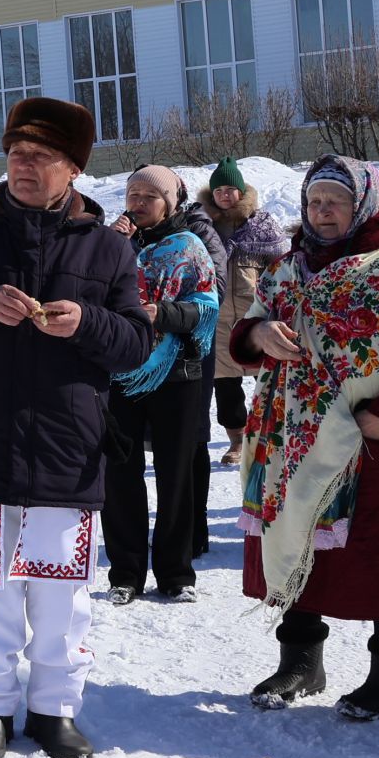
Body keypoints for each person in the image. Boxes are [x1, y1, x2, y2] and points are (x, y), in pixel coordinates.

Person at [0, 97, 152, 758]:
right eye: (16, 153)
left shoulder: (106, 250)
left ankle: (54, 708)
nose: (24, 166)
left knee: (60, 592)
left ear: (72, 168)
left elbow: (135, 343)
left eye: (40, 156)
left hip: (65, 453)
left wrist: (89, 325)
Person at [233, 156, 379, 718]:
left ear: (362, 203)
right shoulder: (290, 266)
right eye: (315, 202)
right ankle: (301, 662)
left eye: (335, 201)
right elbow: (251, 327)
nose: (323, 211)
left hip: (367, 439)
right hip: (289, 435)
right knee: (294, 535)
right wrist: (259, 331)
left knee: (378, 554)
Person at [102, 167, 218, 605]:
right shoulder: (112, 244)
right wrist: (109, 247)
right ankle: (125, 573)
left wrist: (161, 314)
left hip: (177, 374)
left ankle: (175, 572)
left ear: (170, 202)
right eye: (132, 193)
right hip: (119, 372)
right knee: (120, 473)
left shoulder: (189, 246)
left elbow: (206, 308)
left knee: (177, 474)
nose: (138, 202)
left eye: (150, 195)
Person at [201, 158, 286, 468]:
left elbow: (280, 269)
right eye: (219, 189)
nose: (225, 195)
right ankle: (237, 440)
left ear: (241, 191)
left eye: (230, 189)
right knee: (225, 383)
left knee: (268, 378)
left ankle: (269, 434)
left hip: (257, 317)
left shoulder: (262, 224)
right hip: (219, 317)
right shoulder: (202, 225)